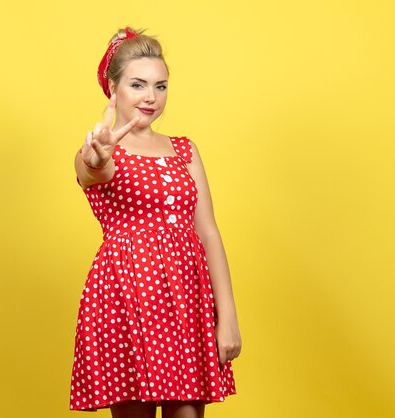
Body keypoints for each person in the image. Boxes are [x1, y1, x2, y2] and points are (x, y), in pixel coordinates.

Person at [70, 26, 241, 418]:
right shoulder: (98, 149)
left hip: (187, 301)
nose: (151, 97)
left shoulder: (184, 149)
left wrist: (226, 315)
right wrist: (98, 155)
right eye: (138, 84)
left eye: (161, 86)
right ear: (113, 88)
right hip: (125, 300)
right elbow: (92, 171)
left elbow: (208, 231)